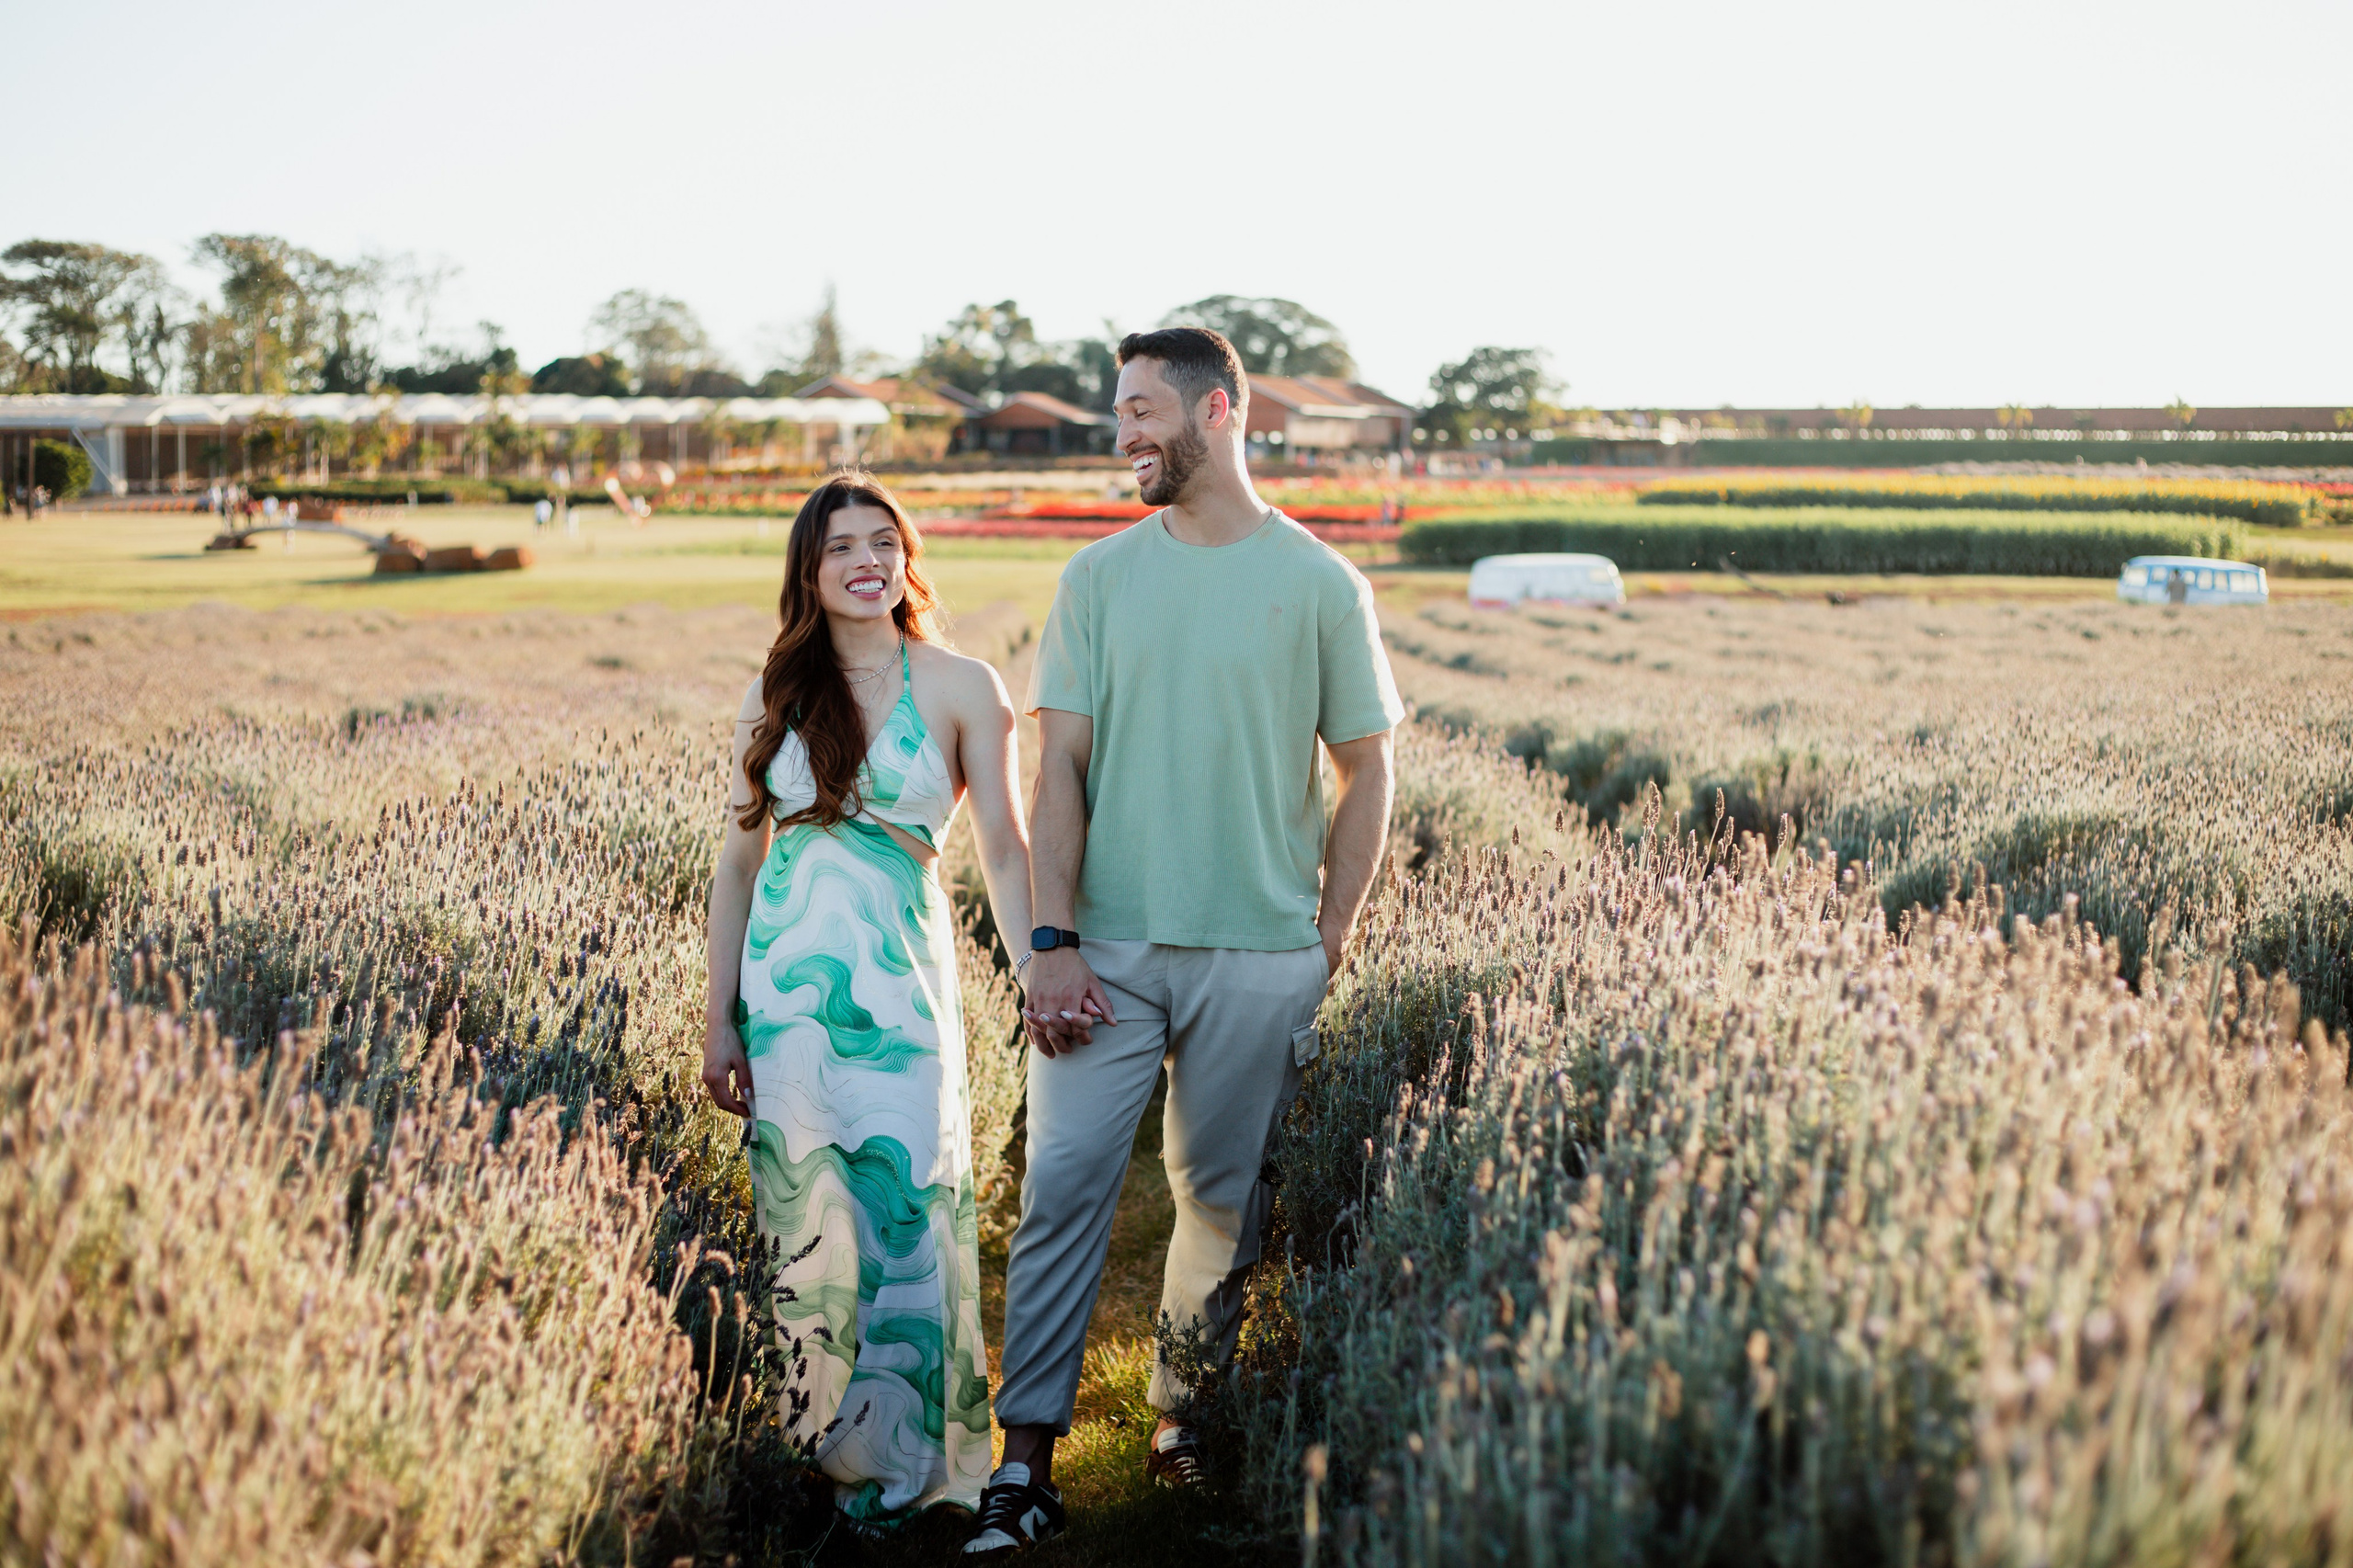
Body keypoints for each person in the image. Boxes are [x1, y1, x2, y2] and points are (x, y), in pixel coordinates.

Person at [966, 327, 1402, 1557]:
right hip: (1103, 952)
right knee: (1063, 1187)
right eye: (1118, 412)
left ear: (1218, 412)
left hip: (1258, 954)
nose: (1124, 434)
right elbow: (1059, 768)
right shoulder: (1098, 578)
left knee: (1221, 1198)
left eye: (1142, 409)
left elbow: (1369, 768)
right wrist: (1051, 938)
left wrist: (1327, 935)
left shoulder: (1323, 582)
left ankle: (1181, 1413)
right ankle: (1024, 1459)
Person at [699, 472, 1034, 1537]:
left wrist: (1042, 972)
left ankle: (921, 1467)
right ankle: (818, 1452)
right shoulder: (775, 692)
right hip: (785, 1002)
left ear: (907, 556)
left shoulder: (963, 685)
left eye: (884, 541)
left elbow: (1007, 850)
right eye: (841, 545)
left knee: (906, 1211)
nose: (866, 560)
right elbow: (736, 868)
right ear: (809, 570)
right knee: (806, 1220)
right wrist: (719, 1017)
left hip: (900, 995)